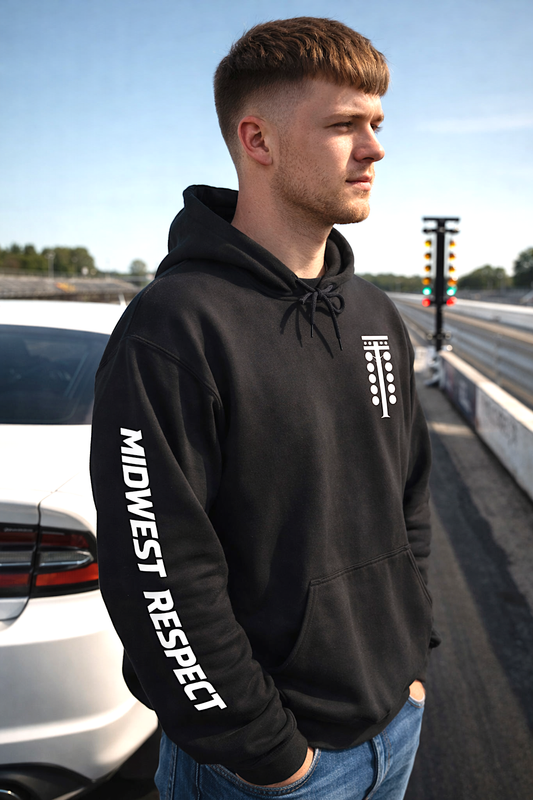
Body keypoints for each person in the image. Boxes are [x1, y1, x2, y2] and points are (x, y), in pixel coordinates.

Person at [90, 17, 440, 800]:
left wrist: (412, 656)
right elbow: (158, 573)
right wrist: (267, 753)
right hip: (270, 771)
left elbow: (408, 499)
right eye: (344, 125)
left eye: (376, 123)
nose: (374, 149)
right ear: (257, 140)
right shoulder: (173, 328)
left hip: (395, 721)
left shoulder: (374, 315)